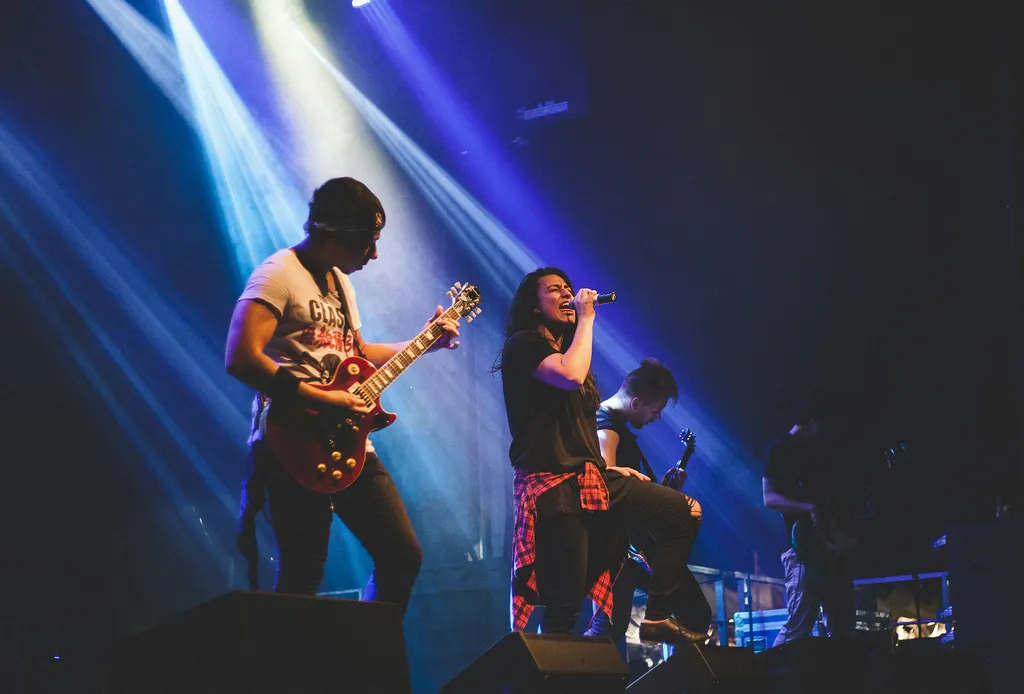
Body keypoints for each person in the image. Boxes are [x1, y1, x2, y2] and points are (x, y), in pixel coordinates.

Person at [225, 177, 460, 615]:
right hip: (292, 439)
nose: (374, 254)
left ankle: (365, 658)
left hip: (349, 441)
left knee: (402, 554)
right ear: (333, 233)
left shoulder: (340, 284)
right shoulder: (279, 273)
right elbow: (240, 356)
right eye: (367, 242)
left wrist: (424, 341)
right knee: (302, 573)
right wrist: (324, 398)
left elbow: (357, 353)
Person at [498, 267, 705, 644]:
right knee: (565, 605)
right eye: (554, 290)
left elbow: (578, 430)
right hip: (554, 485)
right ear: (532, 305)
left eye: (568, 289)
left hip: (588, 480)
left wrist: (618, 470)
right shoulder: (523, 344)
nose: (567, 295)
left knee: (684, 511)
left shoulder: (568, 350)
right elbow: (570, 376)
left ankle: (657, 617)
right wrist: (587, 317)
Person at [588, 359, 711, 653]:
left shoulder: (617, 425)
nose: (656, 418)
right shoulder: (606, 424)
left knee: (694, 613)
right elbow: (607, 477)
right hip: (624, 549)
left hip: (635, 548)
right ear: (636, 402)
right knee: (608, 630)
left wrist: (664, 491)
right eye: (655, 411)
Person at [762, 393, 855, 645]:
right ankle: (770, 680)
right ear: (814, 419)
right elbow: (769, 498)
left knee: (843, 624)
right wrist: (808, 507)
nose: (830, 431)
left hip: (829, 547)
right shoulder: (779, 449)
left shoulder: (819, 452)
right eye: (827, 424)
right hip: (800, 548)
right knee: (799, 625)